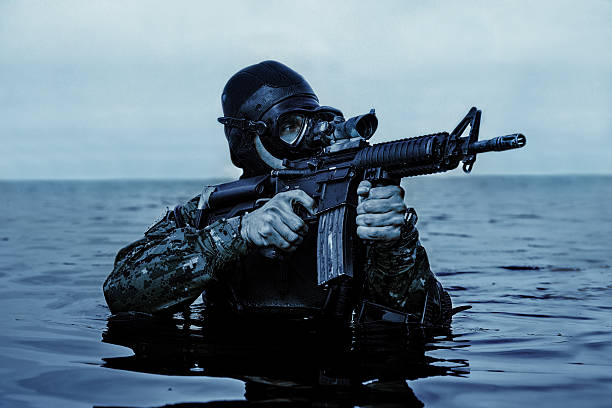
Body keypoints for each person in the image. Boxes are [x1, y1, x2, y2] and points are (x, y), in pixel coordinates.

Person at [103, 60, 452, 327]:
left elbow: (432, 320)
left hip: (339, 373)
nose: (309, 139)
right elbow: (122, 293)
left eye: (313, 123)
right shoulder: (204, 213)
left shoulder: (354, 202)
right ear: (247, 138)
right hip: (231, 362)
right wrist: (237, 233)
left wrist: (395, 243)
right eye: (289, 127)